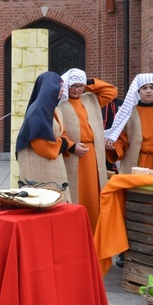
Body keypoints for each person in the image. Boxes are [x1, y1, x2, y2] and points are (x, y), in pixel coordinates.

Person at [57, 69, 118, 230]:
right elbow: (57, 130)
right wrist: (72, 146)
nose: (77, 90)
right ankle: (79, 230)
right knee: (79, 193)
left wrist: (88, 82)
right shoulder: (60, 104)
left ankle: (96, 231)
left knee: (95, 193)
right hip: (75, 155)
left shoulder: (91, 99)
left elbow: (111, 91)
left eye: (80, 86)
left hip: (95, 153)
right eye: (73, 86)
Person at [15, 71, 82, 202]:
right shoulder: (37, 110)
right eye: (59, 87)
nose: (62, 91)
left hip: (53, 164)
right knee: (44, 201)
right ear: (49, 88)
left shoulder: (55, 110)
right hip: (39, 166)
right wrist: (63, 143)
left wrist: (67, 144)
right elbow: (42, 144)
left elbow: (61, 134)